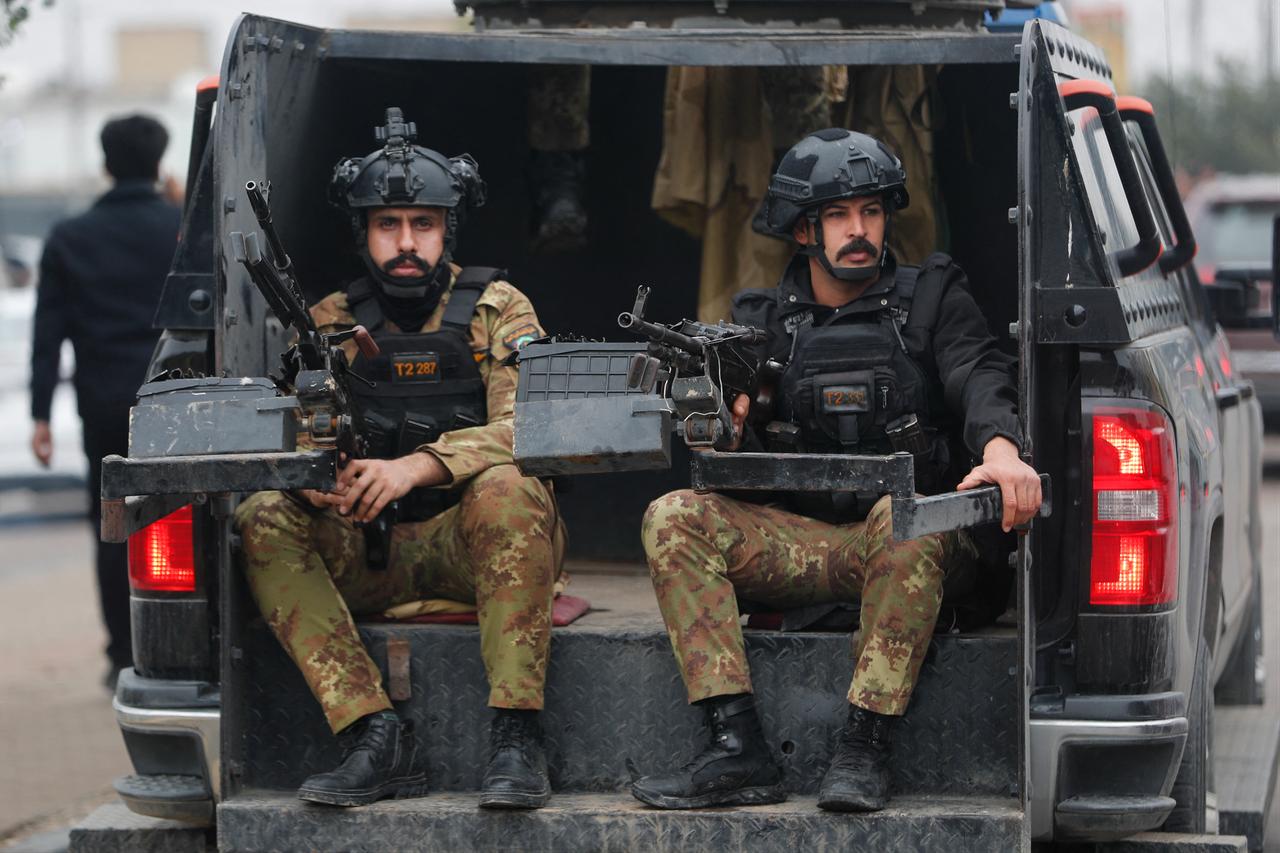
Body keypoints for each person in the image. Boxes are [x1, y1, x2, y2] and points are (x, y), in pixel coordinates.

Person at [630, 129, 1042, 813]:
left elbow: (981, 374)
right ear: (803, 230)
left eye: (872, 211)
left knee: (903, 517)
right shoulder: (758, 322)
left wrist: (1000, 447)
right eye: (840, 215)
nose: (860, 230)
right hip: (810, 541)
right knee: (673, 516)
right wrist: (722, 429)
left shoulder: (934, 295)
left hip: (915, 546)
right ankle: (737, 746)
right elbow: (727, 455)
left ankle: (864, 746)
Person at [233, 107, 566, 810]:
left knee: (513, 487)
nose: (407, 242)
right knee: (263, 512)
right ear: (364, 236)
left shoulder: (495, 309)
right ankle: (374, 735)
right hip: (366, 548)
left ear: (449, 230)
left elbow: (533, 427)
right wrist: (317, 479)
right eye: (389, 225)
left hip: (474, 549)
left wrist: (416, 466)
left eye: (423, 224)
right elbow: (289, 433)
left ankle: (516, 737)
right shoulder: (325, 322)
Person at [29, 114, 181, 689]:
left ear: (106, 164)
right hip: (175, 402)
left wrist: (41, 416)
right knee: (181, 519)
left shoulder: (69, 237)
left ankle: (122, 652)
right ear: (160, 161)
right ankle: (183, 644)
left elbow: (49, 335)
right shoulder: (181, 228)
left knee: (112, 524)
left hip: (102, 405)